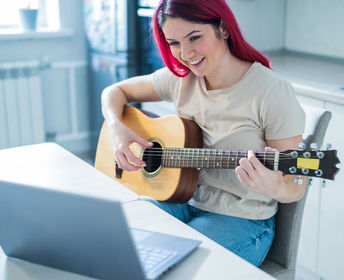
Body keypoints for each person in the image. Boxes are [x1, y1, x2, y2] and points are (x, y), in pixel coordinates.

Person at [101, 0, 306, 266]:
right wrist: (117, 128)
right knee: (117, 240)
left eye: (194, 37)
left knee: (172, 266)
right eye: (174, 43)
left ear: (223, 28)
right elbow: (114, 91)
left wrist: (276, 186)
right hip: (181, 199)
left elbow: (296, 184)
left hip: (241, 220)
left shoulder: (271, 91)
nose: (185, 53)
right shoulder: (180, 79)